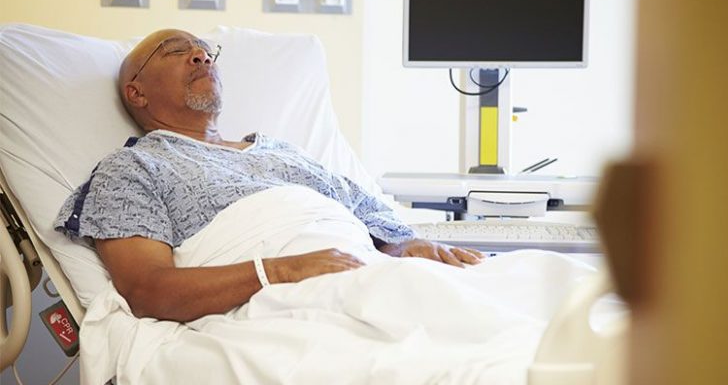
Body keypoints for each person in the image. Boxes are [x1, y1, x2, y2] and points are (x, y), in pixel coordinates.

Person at [55, 29, 483, 323]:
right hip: (291, 302)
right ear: (137, 92)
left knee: (503, 291)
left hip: (366, 272)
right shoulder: (131, 169)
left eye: (205, 51)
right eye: (175, 51)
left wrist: (406, 247)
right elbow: (148, 291)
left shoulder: (285, 153)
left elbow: (377, 226)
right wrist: (282, 270)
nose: (201, 56)